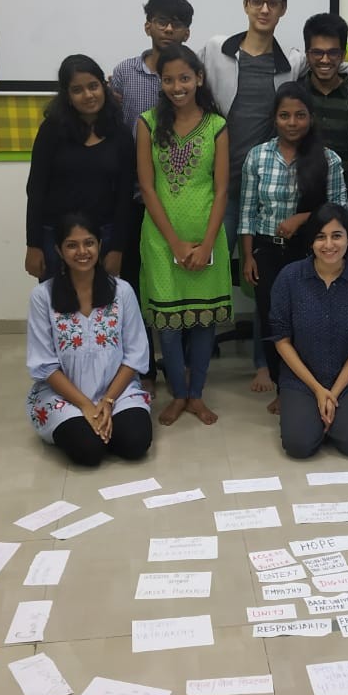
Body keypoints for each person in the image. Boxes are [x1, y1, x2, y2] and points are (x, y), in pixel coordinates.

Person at [202, 0, 302, 394]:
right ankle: (195, 361)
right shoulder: (215, 51)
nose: (264, 8)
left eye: (272, 2)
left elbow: (333, 65)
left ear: (283, 9)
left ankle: (264, 363)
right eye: (257, 0)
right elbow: (181, 80)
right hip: (218, 188)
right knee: (206, 274)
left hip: (266, 191)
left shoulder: (291, 62)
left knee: (267, 281)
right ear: (245, 5)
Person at [136, 44, 233, 427]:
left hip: (207, 237)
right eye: (168, 79)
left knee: (204, 321)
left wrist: (207, 244)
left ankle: (197, 395)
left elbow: (221, 190)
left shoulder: (217, 126)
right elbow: (147, 188)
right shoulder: (146, 124)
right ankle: (178, 394)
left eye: (184, 78)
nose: (177, 86)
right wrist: (174, 243)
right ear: (160, 82)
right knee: (168, 323)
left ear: (199, 79)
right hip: (162, 240)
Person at [240, 82, 347, 414]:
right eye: (284, 115)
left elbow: (340, 210)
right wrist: (247, 256)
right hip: (267, 251)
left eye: (300, 115)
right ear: (274, 118)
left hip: (311, 253)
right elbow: (247, 211)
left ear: (311, 118)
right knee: (273, 321)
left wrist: (303, 218)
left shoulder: (328, 159)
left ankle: (311, 385)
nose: (292, 122)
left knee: (308, 321)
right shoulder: (258, 156)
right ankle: (283, 386)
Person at [111, 0, 195, 388]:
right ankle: (142, 365)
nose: (168, 28)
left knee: (180, 281)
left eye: (177, 23)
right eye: (161, 20)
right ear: (147, 25)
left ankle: (184, 365)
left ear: (187, 32)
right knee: (133, 282)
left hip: (180, 199)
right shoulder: (125, 73)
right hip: (133, 195)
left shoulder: (191, 72)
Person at [25, 214, 152, 466]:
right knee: (88, 452)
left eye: (89, 243)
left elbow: (135, 354)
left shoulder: (122, 291)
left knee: (135, 443)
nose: (82, 252)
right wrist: (86, 406)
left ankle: (105, 425)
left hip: (117, 392)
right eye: (72, 245)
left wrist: (107, 401)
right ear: (59, 250)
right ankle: (95, 430)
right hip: (64, 396)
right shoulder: (42, 296)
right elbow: (45, 364)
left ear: (100, 245)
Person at [270, 203, 348, 459]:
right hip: (302, 378)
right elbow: (281, 340)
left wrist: (334, 393)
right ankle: (314, 418)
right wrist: (319, 391)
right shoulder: (289, 277)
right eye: (320, 237)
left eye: (336, 236)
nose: (328, 245)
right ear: (310, 242)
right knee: (299, 446)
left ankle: (330, 418)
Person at [24, 55, 135, 281]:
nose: (88, 95)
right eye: (77, 90)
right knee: (57, 300)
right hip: (55, 237)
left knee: (102, 301)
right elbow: (35, 189)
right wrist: (33, 245)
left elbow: (125, 196)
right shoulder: (51, 130)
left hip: (103, 236)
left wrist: (117, 248)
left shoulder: (120, 133)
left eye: (93, 86)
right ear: (67, 95)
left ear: (103, 86)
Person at [298, 12, 348, 192]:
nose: (325, 60)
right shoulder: (295, 94)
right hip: (300, 194)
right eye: (317, 52)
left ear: (343, 55)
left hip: (347, 195)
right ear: (307, 54)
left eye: (333, 52)